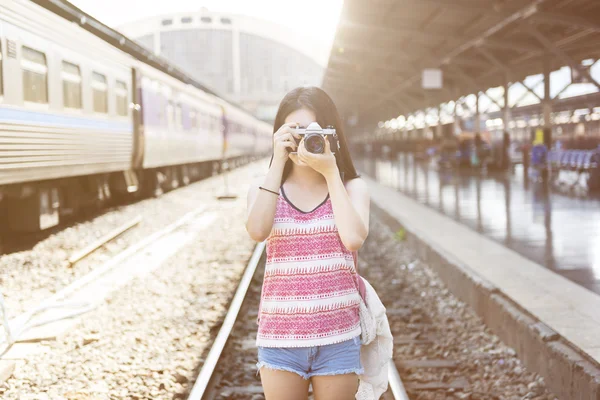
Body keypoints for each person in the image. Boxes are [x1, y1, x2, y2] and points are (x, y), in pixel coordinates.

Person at [245, 87, 370, 400]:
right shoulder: (264, 189)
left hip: (338, 337)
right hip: (280, 340)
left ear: (331, 136)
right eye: (294, 131)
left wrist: (330, 172)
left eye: (313, 132)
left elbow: (353, 239)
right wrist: (276, 163)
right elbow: (257, 231)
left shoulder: (352, 187)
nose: (303, 141)